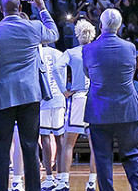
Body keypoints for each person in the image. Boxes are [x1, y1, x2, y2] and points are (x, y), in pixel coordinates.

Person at [0, 0, 58, 191]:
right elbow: (54, 33)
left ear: (0, 9)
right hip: (30, 96)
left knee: (2, 149)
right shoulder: (34, 27)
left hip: (2, 98)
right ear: (21, 9)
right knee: (30, 147)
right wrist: (42, 8)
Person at [83, 9, 138, 191]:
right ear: (119, 26)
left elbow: (88, 73)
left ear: (100, 26)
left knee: (102, 157)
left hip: (99, 110)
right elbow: (131, 73)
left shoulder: (88, 48)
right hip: (126, 108)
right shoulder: (130, 47)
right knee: (133, 155)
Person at [59, 20, 96, 191]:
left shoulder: (71, 52)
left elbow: (56, 68)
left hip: (77, 97)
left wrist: (63, 89)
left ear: (77, 34)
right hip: (95, 98)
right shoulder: (97, 51)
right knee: (95, 143)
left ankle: (64, 181)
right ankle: (92, 181)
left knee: (68, 143)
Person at [39, 41, 67, 191]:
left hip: (44, 99)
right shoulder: (60, 54)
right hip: (59, 98)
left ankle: (49, 177)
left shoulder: (37, 54)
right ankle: (62, 177)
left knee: (45, 138)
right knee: (60, 138)